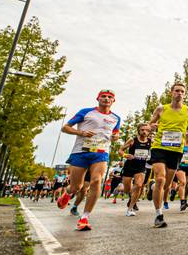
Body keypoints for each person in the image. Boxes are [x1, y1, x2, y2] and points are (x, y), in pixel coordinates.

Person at [56, 89, 121, 231]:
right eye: (103, 96)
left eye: (109, 97)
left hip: (101, 153)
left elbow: (116, 133)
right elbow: (65, 128)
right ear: (98, 99)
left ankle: (85, 217)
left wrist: (116, 137)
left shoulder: (116, 118)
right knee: (76, 187)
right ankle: (67, 193)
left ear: (113, 101)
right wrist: (81, 132)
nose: (106, 98)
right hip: (81, 151)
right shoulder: (86, 112)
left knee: (96, 180)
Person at [147, 82, 188, 228]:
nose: (179, 93)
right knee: (161, 179)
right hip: (159, 147)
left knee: (167, 185)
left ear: (185, 94)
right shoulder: (162, 108)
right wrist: (152, 126)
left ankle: (154, 188)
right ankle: (158, 214)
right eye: (177, 91)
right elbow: (150, 124)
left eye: (182, 91)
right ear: (171, 92)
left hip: (176, 150)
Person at [119, 123, 152, 216]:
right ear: (138, 130)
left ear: (149, 132)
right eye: (142, 130)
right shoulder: (132, 140)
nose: (144, 132)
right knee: (127, 189)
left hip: (141, 166)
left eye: (146, 130)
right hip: (129, 165)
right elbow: (120, 150)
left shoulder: (151, 141)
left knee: (138, 185)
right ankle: (130, 196)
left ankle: (130, 209)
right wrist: (125, 155)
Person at [173, 131, 188, 212]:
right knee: (182, 182)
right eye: (187, 136)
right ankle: (182, 202)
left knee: (184, 184)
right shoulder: (180, 144)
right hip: (180, 166)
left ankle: (174, 191)